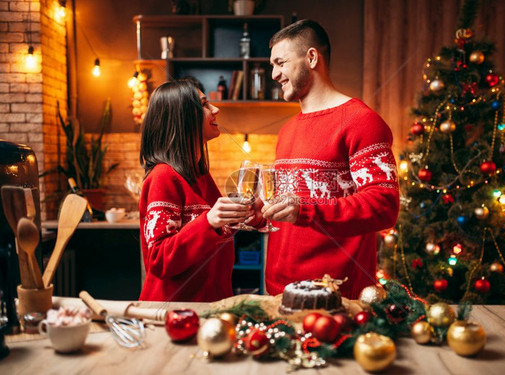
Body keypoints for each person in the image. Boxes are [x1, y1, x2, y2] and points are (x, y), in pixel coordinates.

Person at [263, 20, 400, 299]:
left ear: (311, 58)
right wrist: (259, 213)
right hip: (280, 290)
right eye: (272, 66)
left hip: (337, 292)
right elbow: (290, 208)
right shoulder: (287, 130)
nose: (274, 74)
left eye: (280, 62)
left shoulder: (362, 122)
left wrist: (307, 210)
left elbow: (384, 205)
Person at [138, 78, 252, 302]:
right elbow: (159, 260)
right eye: (204, 104)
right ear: (182, 116)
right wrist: (209, 221)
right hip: (172, 314)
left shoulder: (200, 175)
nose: (215, 109)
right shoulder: (163, 176)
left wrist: (248, 216)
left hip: (207, 309)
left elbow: (214, 234)